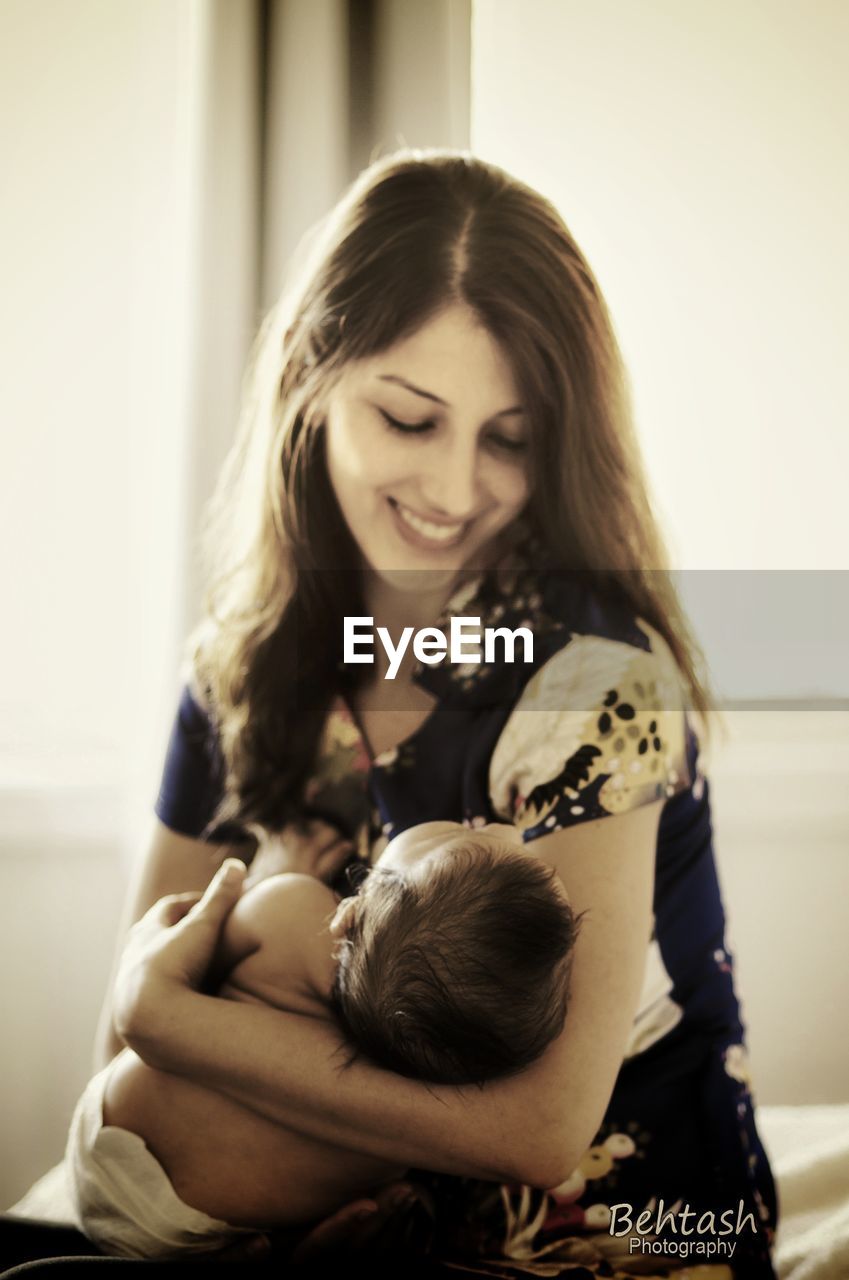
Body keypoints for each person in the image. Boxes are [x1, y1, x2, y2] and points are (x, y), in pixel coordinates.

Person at [3, 149, 778, 1278]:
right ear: (315, 375)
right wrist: (156, 1033)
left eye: (508, 439)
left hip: (633, 1236)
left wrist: (171, 1017)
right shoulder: (238, 668)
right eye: (411, 418)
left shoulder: (598, 682)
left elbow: (542, 1127)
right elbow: (121, 1079)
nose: (457, 488)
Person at [64, 821, 580, 1259]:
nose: (504, 826)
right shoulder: (400, 1138)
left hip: (117, 1140)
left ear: (347, 914)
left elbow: (189, 957)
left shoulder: (289, 911)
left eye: (461, 836)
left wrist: (259, 883)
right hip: (215, 1235)